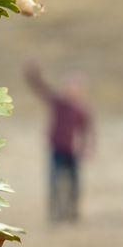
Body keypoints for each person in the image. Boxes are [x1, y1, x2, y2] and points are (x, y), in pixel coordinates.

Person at [24, 62, 94, 223]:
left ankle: (72, 213)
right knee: (54, 183)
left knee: (74, 185)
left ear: (82, 90)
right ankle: (55, 214)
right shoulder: (59, 103)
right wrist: (33, 75)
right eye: (70, 86)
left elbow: (87, 132)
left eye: (76, 86)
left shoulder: (83, 109)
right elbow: (42, 89)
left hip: (73, 152)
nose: (72, 89)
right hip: (57, 149)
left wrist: (87, 148)